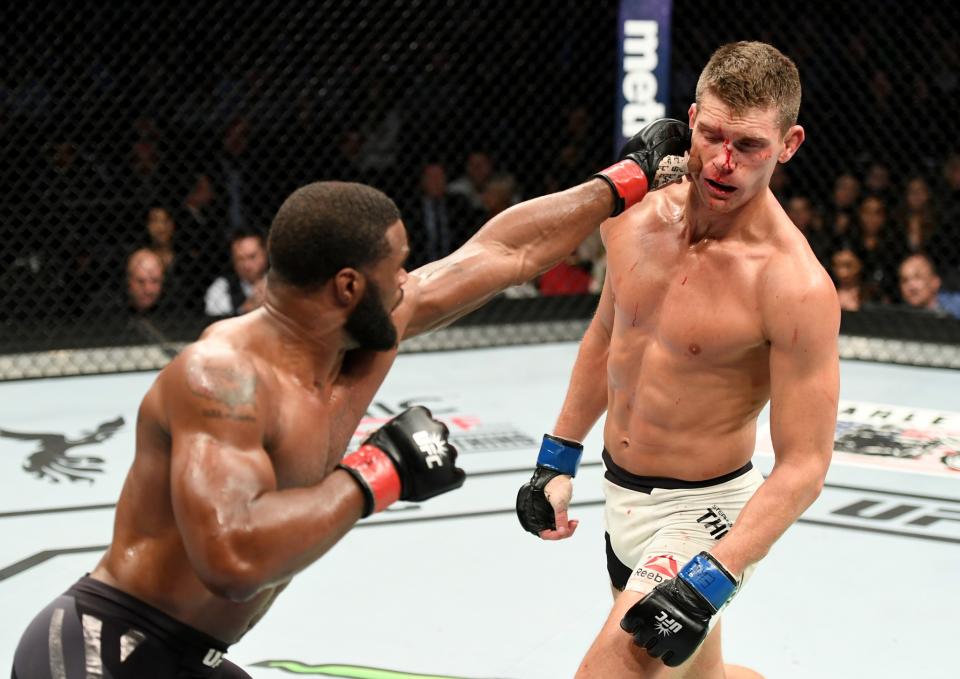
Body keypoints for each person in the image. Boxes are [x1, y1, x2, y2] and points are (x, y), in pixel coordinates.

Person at [12, 118, 692, 678]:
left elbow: (503, 252)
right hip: (102, 648)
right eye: (394, 266)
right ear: (345, 287)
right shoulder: (222, 376)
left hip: (191, 654)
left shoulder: (357, 334)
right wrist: (379, 472)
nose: (408, 277)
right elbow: (231, 560)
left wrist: (621, 181)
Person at [516, 41, 840, 678]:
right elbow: (608, 335)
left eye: (747, 146)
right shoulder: (634, 216)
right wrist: (556, 458)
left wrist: (715, 576)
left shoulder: (793, 285)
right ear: (690, 119)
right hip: (621, 492)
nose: (723, 161)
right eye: (713, 134)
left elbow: (806, 463)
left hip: (702, 518)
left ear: (789, 144)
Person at [204, 229, 269, 317]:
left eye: (252, 257)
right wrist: (245, 309)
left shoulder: (282, 280)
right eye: (240, 259)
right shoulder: (222, 287)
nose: (247, 265)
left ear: (265, 253)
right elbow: (213, 315)